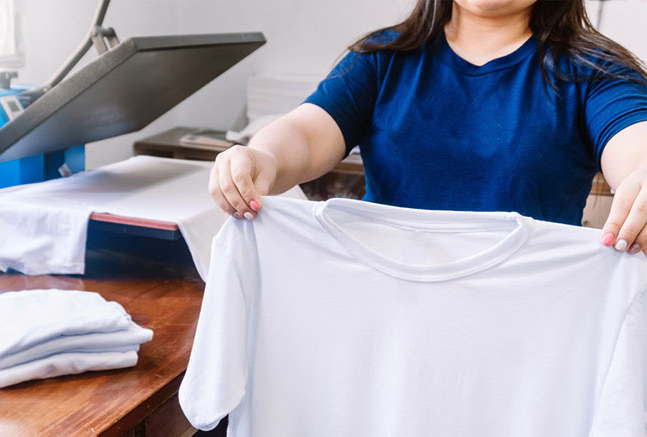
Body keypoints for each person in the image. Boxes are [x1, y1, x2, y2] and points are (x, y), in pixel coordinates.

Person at [209, 0, 647, 254]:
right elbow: (304, 133)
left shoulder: (594, 71)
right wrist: (259, 156)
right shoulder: (382, 58)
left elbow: (635, 146)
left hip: (524, 327)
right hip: (383, 312)